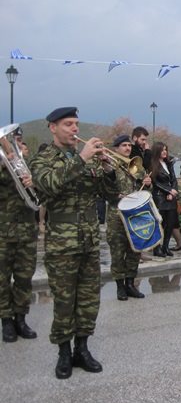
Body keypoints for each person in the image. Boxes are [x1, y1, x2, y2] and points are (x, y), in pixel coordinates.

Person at [31, 107, 119, 379]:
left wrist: (107, 169)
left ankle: (82, 348)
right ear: (52, 127)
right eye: (68, 124)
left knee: (89, 300)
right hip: (62, 243)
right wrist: (81, 159)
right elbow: (48, 186)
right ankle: (64, 353)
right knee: (64, 301)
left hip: (90, 240)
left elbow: (112, 197)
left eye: (76, 124)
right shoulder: (43, 158)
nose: (74, 129)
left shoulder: (90, 160)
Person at [0, 126, 38, 343]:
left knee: (24, 277)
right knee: (2, 279)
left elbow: (38, 192)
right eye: (11, 141)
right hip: (3, 232)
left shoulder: (27, 165)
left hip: (26, 231)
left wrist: (31, 179)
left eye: (18, 141)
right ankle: (6, 320)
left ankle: (21, 318)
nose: (16, 145)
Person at [105, 135, 152, 301]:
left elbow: (146, 187)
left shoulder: (136, 165)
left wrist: (147, 182)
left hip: (135, 214)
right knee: (117, 252)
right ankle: (120, 287)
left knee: (135, 250)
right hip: (116, 215)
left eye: (129, 145)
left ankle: (131, 284)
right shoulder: (109, 165)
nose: (127, 148)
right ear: (116, 148)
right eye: (123, 145)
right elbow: (106, 186)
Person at [151, 142, 179, 257]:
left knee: (170, 223)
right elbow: (155, 182)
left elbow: (174, 179)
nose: (164, 152)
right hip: (159, 197)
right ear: (157, 151)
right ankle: (156, 249)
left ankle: (165, 247)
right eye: (162, 150)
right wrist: (168, 191)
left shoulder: (168, 163)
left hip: (171, 197)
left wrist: (173, 191)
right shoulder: (153, 164)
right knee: (159, 223)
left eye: (166, 150)